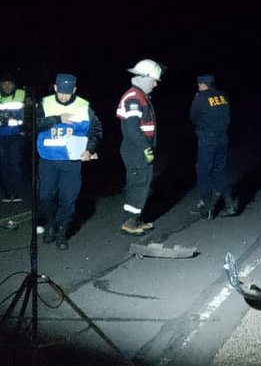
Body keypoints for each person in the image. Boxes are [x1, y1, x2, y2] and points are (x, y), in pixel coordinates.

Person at [35, 73, 102, 250]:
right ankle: (50, 224)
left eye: (68, 93)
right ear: (55, 88)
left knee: (68, 198)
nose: (64, 96)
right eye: (61, 92)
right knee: (44, 196)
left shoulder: (84, 106)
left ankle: (61, 232)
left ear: (74, 90)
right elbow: (33, 124)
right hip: (48, 159)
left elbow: (95, 129)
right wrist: (57, 119)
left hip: (72, 161)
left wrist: (90, 149)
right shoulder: (45, 103)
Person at [116, 58, 164, 235]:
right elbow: (131, 129)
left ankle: (135, 218)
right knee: (137, 184)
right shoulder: (134, 98)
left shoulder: (140, 96)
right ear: (144, 77)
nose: (155, 84)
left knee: (143, 184)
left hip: (141, 149)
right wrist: (145, 148)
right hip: (136, 150)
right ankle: (129, 222)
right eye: (154, 80)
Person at [189, 73, 237, 218]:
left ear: (204, 85)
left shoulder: (200, 98)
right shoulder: (223, 96)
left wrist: (202, 128)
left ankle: (207, 208)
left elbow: (193, 116)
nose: (198, 87)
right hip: (223, 138)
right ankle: (230, 204)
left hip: (208, 140)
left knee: (203, 172)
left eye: (199, 84)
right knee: (219, 171)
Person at [0, 71, 29, 203]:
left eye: (9, 83)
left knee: (15, 163)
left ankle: (16, 192)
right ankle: (7, 193)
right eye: (4, 83)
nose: (6, 86)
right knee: (3, 164)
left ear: (14, 85)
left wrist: (25, 130)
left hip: (16, 135)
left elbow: (30, 114)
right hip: (1, 136)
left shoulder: (21, 95)